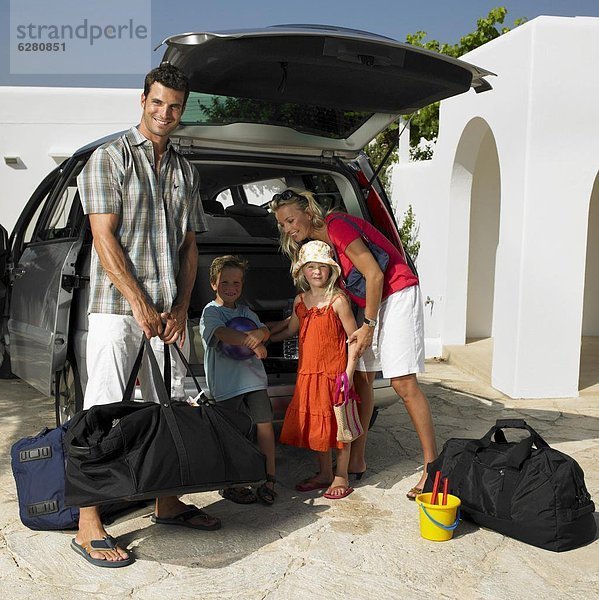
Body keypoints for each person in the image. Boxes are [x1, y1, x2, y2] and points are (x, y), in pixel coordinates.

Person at [74, 64, 220, 568]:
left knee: (172, 408)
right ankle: (88, 521)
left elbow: (189, 245)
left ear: (183, 109)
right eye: (157, 103)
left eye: (175, 106)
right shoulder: (109, 158)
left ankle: (167, 501)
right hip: (119, 311)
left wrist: (180, 307)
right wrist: (138, 302)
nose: (165, 113)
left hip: (168, 316)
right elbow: (103, 237)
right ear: (143, 100)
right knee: (103, 412)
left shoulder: (184, 169)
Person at [270, 189, 437, 500]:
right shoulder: (317, 245)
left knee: (402, 382)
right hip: (372, 301)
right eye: (282, 224)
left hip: (396, 293)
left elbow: (374, 274)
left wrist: (369, 325)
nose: (288, 228)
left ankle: (433, 466)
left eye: (291, 219)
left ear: (308, 211)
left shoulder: (337, 226)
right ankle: (357, 459)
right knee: (361, 378)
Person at [270, 240, 359, 499]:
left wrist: (348, 374)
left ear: (331, 270)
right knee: (320, 427)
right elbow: (290, 330)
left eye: (322, 266)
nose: (317, 272)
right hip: (308, 375)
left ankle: (341, 474)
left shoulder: (338, 300)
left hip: (335, 375)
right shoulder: (300, 301)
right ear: (302, 272)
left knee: (339, 425)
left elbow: (354, 340)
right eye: (311, 267)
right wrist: (263, 336)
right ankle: (324, 473)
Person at [200, 255, 277, 505]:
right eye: (225, 283)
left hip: (254, 381)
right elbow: (222, 334)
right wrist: (252, 343)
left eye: (237, 283)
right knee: (232, 434)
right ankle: (231, 483)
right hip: (226, 386)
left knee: (265, 427)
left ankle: (269, 479)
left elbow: (264, 330)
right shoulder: (210, 313)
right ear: (213, 283)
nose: (231, 288)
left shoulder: (245, 312)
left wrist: (259, 335)